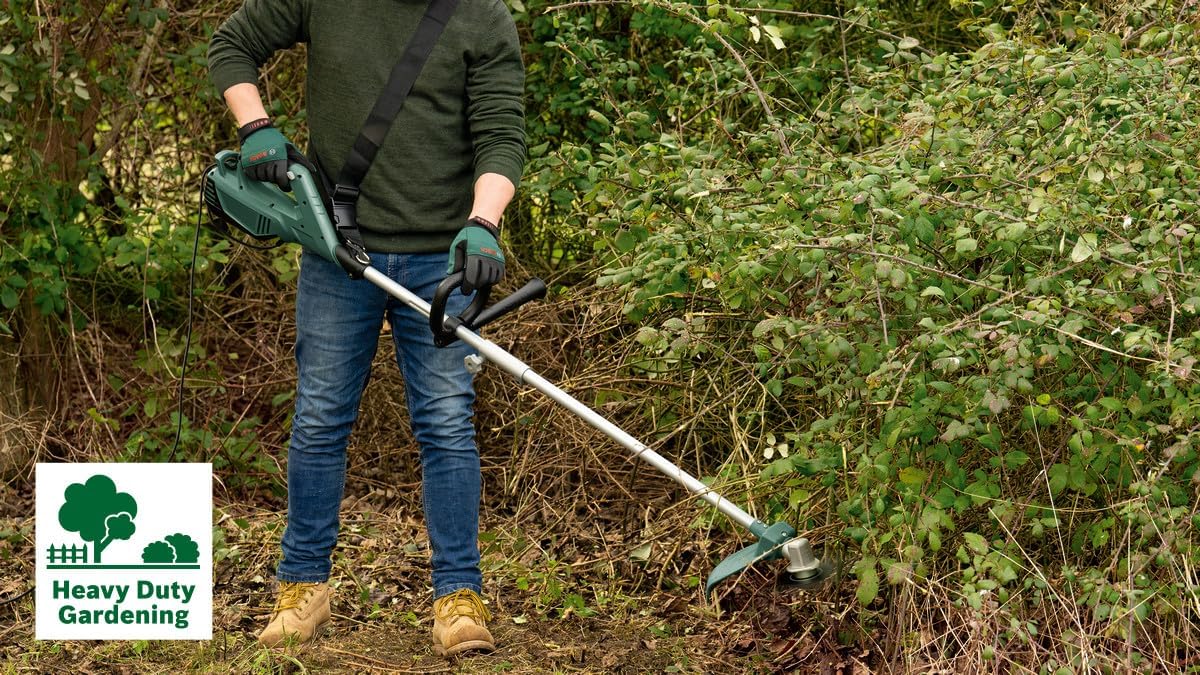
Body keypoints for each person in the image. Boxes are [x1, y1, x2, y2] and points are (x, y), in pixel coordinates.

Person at [208, 0, 525, 656]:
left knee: (445, 420)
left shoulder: (481, 15)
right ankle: (303, 587)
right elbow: (231, 45)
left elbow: (501, 134)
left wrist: (485, 222)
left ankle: (457, 595)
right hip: (337, 247)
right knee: (321, 417)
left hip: (442, 254)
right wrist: (256, 127)